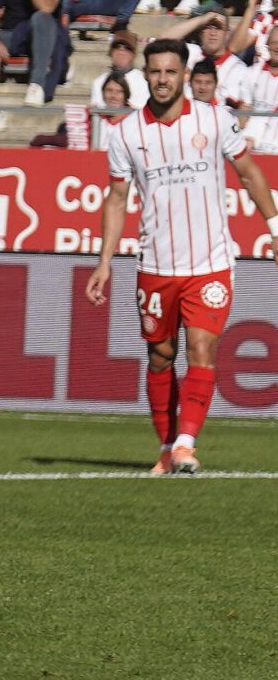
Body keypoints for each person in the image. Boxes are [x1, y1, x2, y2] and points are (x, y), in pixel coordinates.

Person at [87, 40, 278, 475]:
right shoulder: (127, 133)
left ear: (184, 75)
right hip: (155, 264)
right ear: (146, 74)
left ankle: (186, 445)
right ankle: (166, 445)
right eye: (155, 72)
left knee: (201, 347)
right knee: (160, 354)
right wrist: (104, 262)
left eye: (171, 72)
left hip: (210, 260)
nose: (162, 80)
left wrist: (275, 226)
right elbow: (117, 200)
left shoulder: (214, 119)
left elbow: (248, 172)